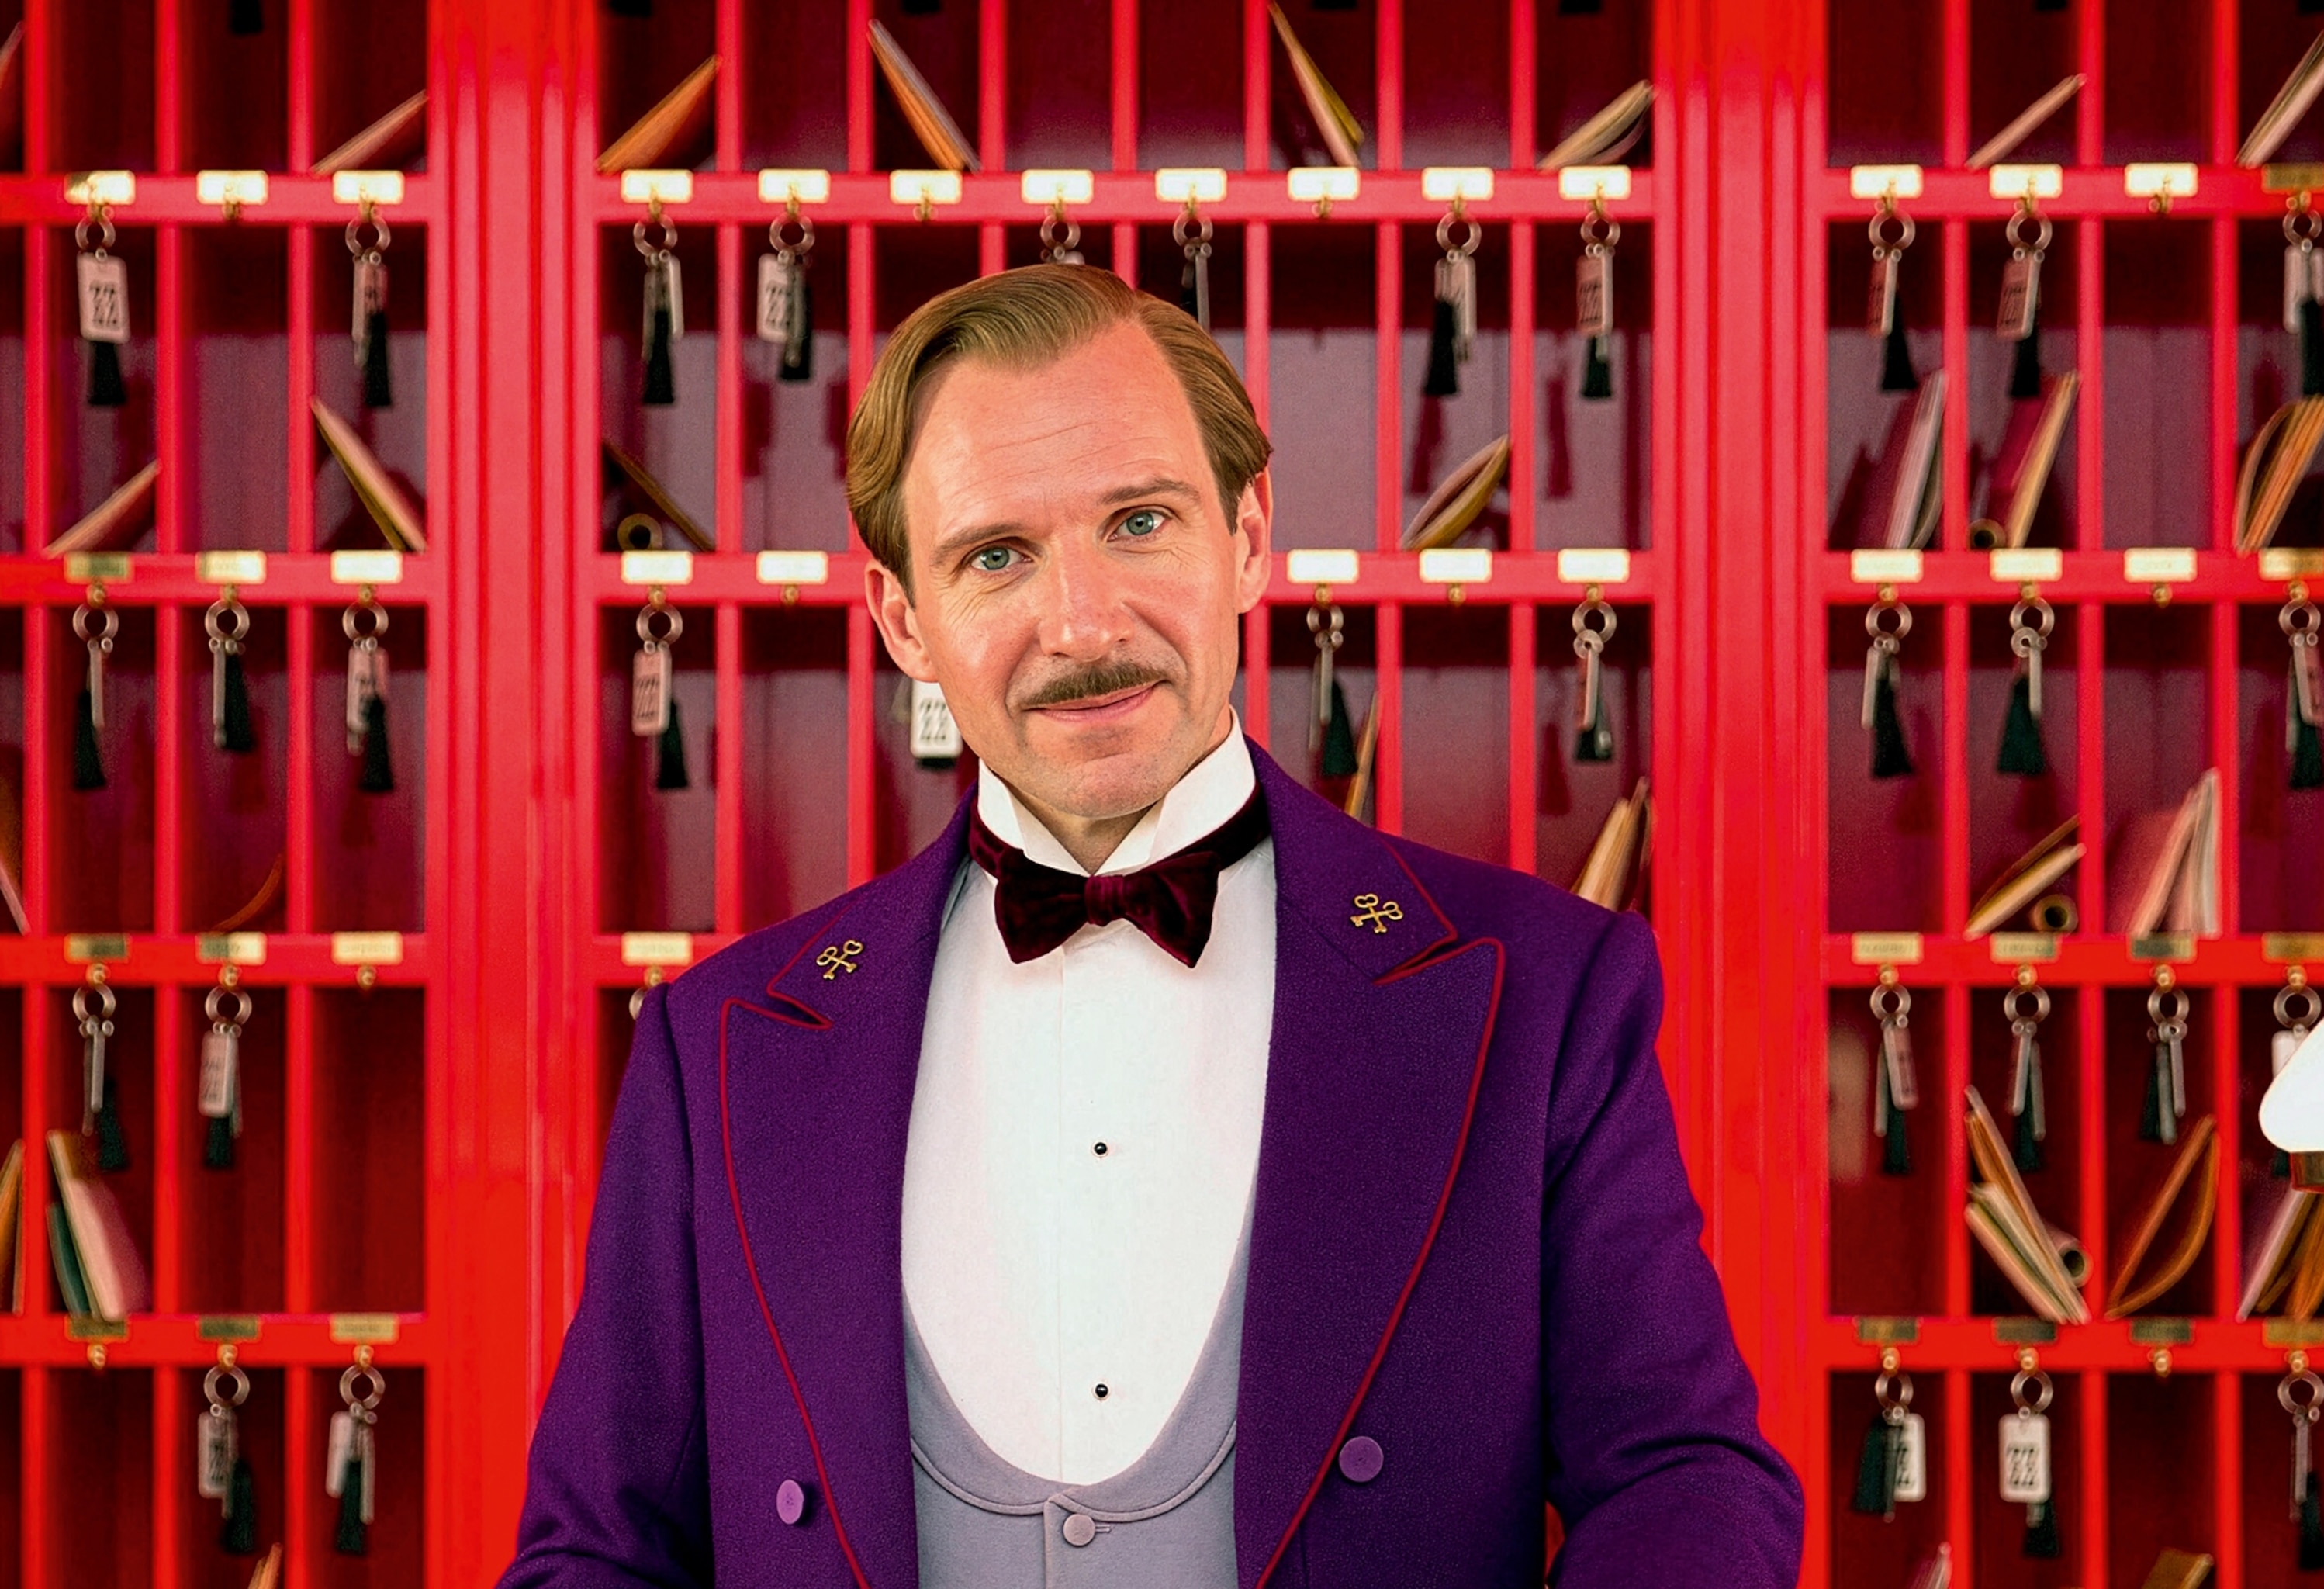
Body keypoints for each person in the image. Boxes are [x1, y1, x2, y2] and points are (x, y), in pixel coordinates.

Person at [500, 264, 1803, 1587]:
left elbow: (1683, 1477)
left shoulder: (1543, 993)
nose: (1083, 623)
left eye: (1138, 521)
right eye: (996, 555)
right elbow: (594, 1550)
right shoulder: (717, 1040)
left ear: (1245, 537)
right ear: (904, 616)